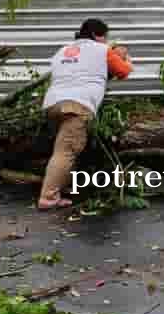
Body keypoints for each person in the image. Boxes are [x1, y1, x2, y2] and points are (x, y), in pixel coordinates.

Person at [37, 18, 133, 210]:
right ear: (98, 35)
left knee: (64, 149)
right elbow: (123, 72)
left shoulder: (62, 51)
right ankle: (48, 197)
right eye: (105, 37)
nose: (106, 41)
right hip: (78, 104)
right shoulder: (102, 50)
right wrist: (125, 57)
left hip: (53, 104)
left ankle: (63, 189)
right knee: (66, 151)